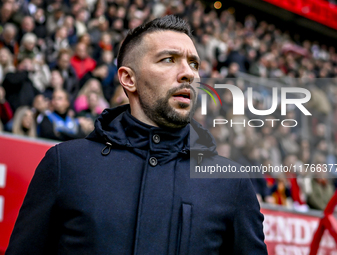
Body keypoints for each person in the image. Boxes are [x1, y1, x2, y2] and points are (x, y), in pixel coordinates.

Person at [6, 16, 267, 254]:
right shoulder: (65, 165)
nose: (189, 73)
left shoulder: (232, 184)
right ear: (128, 79)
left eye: (194, 63)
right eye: (168, 59)